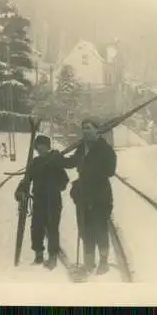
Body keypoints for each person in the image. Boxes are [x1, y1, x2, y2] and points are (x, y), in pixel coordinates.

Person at [63, 118, 117, 276]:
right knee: (86, 230)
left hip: (100, 195)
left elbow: (110, 170)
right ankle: (89, 262)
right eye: (84, 129)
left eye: (89, 128)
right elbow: (73, 161)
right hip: (84, 195)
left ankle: (104, 262)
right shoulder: (82, 147)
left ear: (97, 130)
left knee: (100, 229)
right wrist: (57, 159)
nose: (86, 131)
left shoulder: (105, 149)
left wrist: (88, 169)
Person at [16, 135, 70, 270]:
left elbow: (65, 179)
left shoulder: (55, 160)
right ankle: (38, 255)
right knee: (37, 228)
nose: (41, 149)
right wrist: (21, 190)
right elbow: (27, 179)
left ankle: (52, 257)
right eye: (39, 147)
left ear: (48, 146)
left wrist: (55, 186)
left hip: (53, 200)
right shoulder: (35, 162)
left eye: (44, 146)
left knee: (52, 229)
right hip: (39, 200)